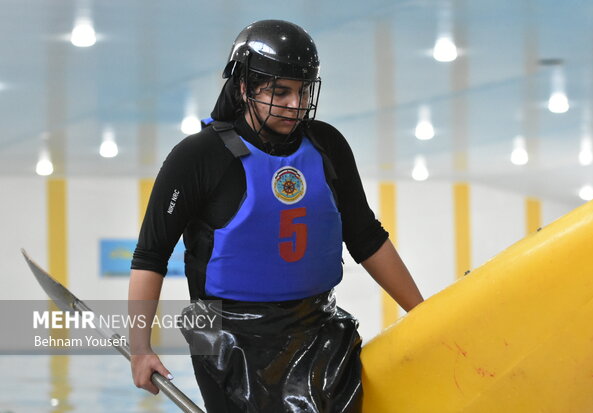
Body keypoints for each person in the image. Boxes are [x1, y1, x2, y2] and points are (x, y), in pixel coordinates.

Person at [129, 19, 424, 413]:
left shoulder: (328, 146)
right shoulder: (197, 158)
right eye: (280, 92)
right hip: (223, 336)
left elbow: (366, 237)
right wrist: (140, 348)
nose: (295, 105)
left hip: (318, 327)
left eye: (303, 92)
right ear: (244, 87)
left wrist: (423, 315)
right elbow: (151, 255)